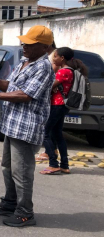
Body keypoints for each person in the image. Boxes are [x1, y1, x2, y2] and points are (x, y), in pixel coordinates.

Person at [0, 25, 55, 227]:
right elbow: (11, 87)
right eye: (24, 42)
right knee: (8, 167)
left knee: (21, 172)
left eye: (30, 43)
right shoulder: (24, 62)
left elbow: (25, 95)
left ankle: (25, 212)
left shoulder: (43, 67)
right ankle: (10, 202)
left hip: (26, 127)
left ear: (44, 47)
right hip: (11, 124)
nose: (24, 46)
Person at [40, 47, 88, 175]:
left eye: (55, 56)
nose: (53, 59)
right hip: (62, 105)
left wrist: (51, 87)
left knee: (44, 133)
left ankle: (53, 164)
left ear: (62, 58)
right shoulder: (69, 71)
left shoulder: (63, 71)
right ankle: (64, 165)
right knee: (58, 134)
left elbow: (48, 87)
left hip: (57, 105)